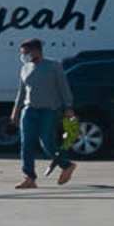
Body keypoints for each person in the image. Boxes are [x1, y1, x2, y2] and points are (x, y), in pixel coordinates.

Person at [13, 39, 74, 187]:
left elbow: (63, 87)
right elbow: (22, 91)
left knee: (47, 143)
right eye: (22, 53)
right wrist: (16, 110)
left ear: (36, 51)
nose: (23, 56)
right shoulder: (25, 68)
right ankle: (29, 178)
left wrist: (68, 107)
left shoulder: (53, 66)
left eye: (26, 52)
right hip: (29, 110)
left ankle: (67, 166)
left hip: (50, 110)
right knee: (26, 144)